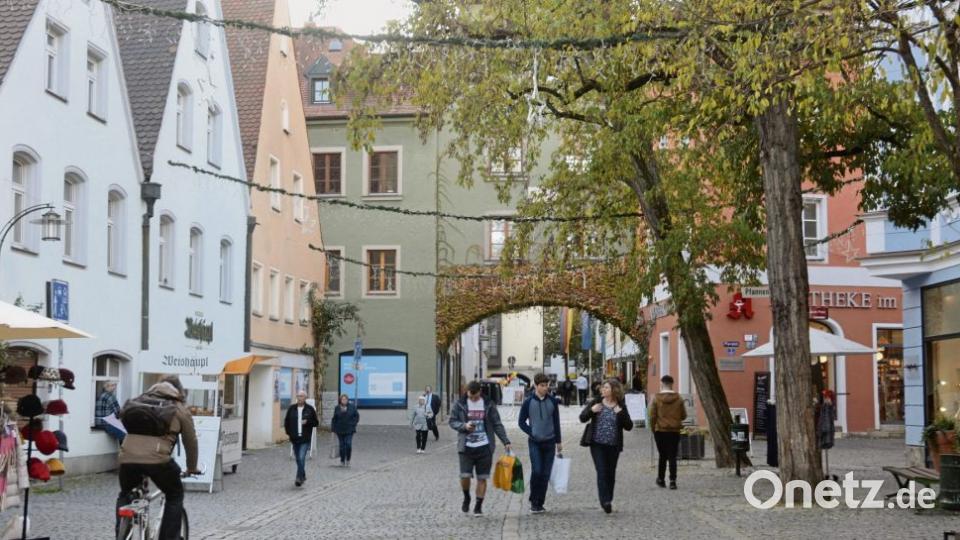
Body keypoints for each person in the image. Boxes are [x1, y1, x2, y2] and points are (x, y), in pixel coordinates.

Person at [116, 375, 200, 540]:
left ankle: (120, 533)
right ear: (179, 390)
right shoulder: (179, 408)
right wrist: (192, 467)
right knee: (174, 494)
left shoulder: (137, 401)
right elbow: (191, 441)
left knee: (125, 493)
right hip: (159, 460)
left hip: (127, 458)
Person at [449, 380, 511, 516]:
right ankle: (466, 497)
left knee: (482, 478)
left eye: (475, 396)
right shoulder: (460, 404)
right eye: (470, 396)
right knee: (465, 476)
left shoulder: (489, 404)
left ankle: (478, 506)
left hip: (484, 446)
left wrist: (505, 441)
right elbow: (452, 421)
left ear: (480, 392)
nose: (472, 398)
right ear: (467, 392)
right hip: (466, 447)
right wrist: (464, 426)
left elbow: (497, 424)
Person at [579, 378, 632, 514]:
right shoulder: (596, 402)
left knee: (610, 473)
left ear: (614, 390)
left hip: (613, 445)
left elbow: (629, 426)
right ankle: (605, 501)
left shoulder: (620, 405)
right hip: (597, 444)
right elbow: (582, 417)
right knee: (601, 471)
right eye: (603, 388)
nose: (603, 390)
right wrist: (592, 410)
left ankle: (609, 497)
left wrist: (620, 413)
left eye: (606, 388)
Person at [518, 373, 562, 514]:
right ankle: (533, 500)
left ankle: (540, 503)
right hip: (535, 442)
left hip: (549, 442)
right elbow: (521, 422)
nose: (545, 388)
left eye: (546, 385)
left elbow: (556, 422)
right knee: (537, 471)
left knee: (545, 474)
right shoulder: (528, 403)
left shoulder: (553, 402)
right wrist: (532, 432)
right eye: (542, 385)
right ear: (536, 386)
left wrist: (558, 441)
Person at [648, 375, 686, 490]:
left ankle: (661, 479)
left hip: (660, 430)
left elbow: (652, 415)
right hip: (674, 431)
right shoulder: (679, 398)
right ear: (672, 384)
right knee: (672, 456)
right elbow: (684, 415)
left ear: (661, 384)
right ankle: (673, 481)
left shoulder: (656, 398)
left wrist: (652, 428)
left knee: (662, 456)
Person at [284, 390, 319, 486]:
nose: (300, 398)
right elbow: (286, 422)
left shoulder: (310, 409)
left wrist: (307, 422)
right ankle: (302, 475)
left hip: (305, 438)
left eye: (302, 396)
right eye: (298, 396)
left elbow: (316, 423)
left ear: (305, 398)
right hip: (295, 438)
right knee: (298, 459)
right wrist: (289, 433)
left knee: (301, 457)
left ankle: (299, 478)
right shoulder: (292, 409)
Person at [331, 394, 359, 467]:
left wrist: (353, 424)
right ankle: (342, 460)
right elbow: (334, 419)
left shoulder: (352, 407)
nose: (344, 401)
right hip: (340, 430)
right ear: (340, 400)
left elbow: (356, 417)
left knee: (348, 444)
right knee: (342, 446)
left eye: (345, 399)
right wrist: (333, 429)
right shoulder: (337, 408)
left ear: (347, 400)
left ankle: (348, 459)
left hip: (349, 429)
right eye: (342, 399)